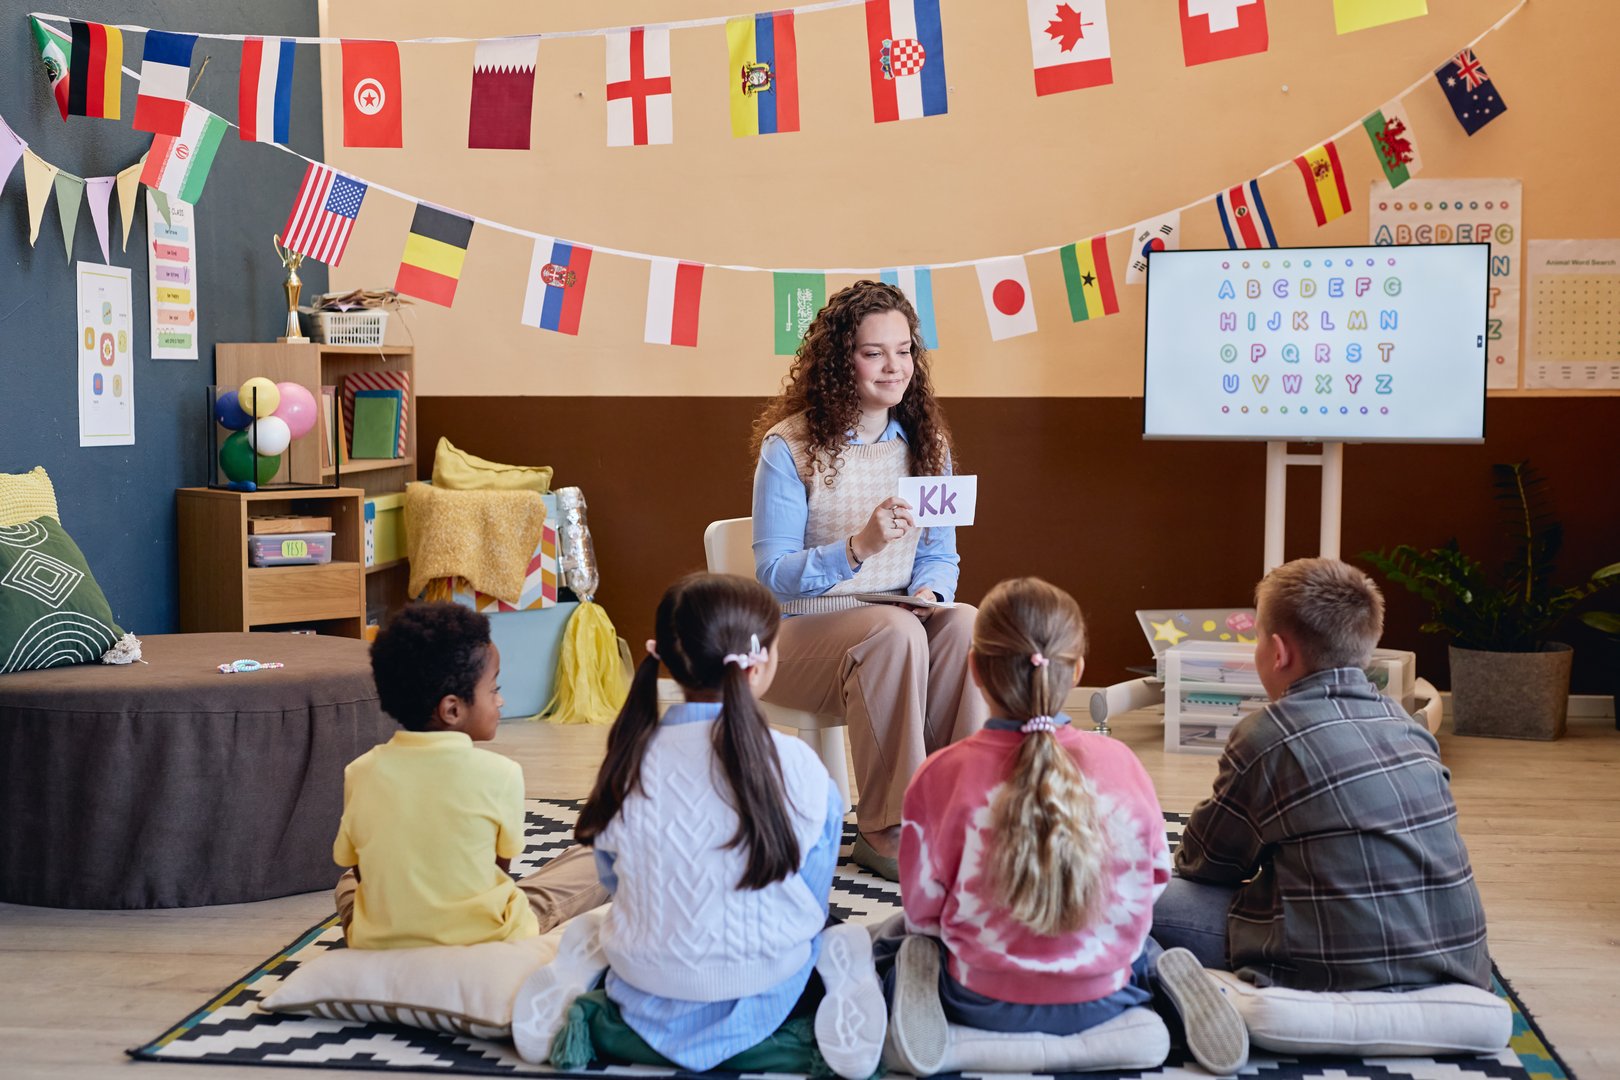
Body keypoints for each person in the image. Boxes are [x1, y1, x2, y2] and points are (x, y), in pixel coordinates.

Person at [510, 574, 886, 1080]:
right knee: (843, 937)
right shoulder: (799, 765)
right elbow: (810, 898)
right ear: (762, 662)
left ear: (662, 657)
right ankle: (831, 996)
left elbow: (614, 879)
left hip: (646, 982)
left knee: (602, 924)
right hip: (767, 983)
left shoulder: (627, 760)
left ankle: (584, 990)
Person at [881, 577, 1247, 1077]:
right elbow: (1152, 884)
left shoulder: (939, 774)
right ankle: (1162, 979)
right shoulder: (1120, 763)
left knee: (892, 938)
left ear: (974, 669)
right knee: (1146, 938)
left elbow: (925, 912)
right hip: (1109, 994)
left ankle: (919, 1000)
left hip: (979, 998)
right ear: (1077, 671)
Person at [1155, 557, 1491, 993]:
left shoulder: (1267, 734)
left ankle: (1177, 991)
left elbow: (1208, 864)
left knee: (1126, 897)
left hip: (1335, 967)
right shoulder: (1407, 724)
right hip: (1456, 962)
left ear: (1278, 652)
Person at [751, 279, 989, 881]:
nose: (895, 366)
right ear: (840, 361)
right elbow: (773, 580)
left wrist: (930, 595)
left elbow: (941, 556)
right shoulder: (791, 449)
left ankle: (954, 813)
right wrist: (859, 548)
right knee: (891, 630)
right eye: (873, 351)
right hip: (800, 640)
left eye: (905, 350)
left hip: (893, 629)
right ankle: (884, 828)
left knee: (965, 623)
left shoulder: (928, 443)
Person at [335, 602, 561, 948]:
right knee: (586, 864)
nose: (500, 702)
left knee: (346, 883)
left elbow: (362, 871)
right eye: (494, 690)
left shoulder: (359, 771)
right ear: (452, 709)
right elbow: (499, 873)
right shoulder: (502, 774)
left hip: (381, 941)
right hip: (482, 940)